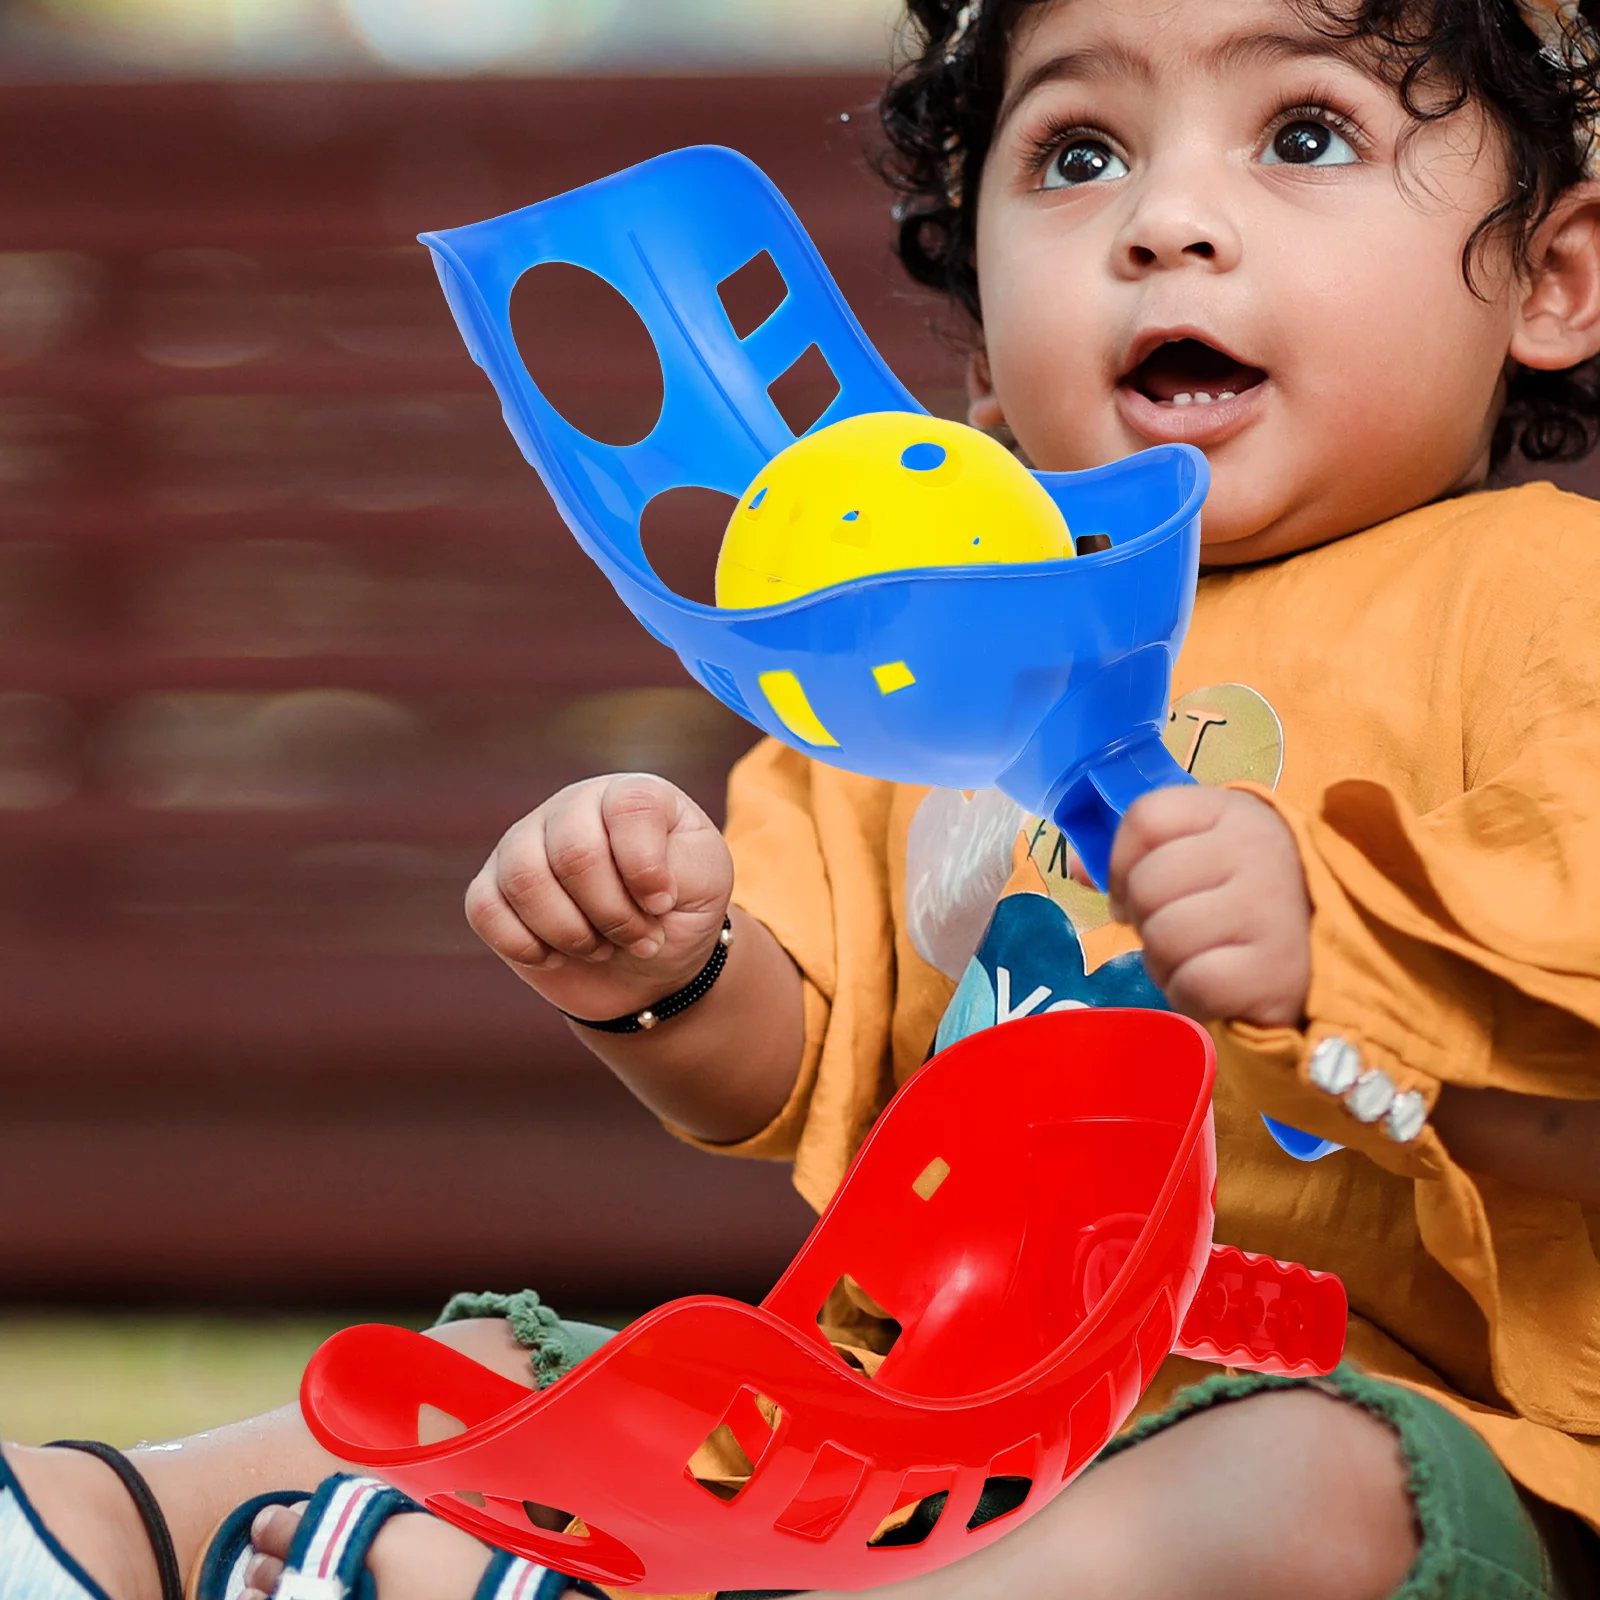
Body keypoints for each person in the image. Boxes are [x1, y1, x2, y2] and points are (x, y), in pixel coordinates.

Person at [10, 0, 1600, 1595]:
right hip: (903, 1447)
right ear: (981, 346)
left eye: (1305, 135)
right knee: (502, 1363)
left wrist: (1347, 963)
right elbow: (785, 1067)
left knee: (1298, 1480)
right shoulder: (927, 653)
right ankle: (97, 1528)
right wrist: (659, 970)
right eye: (1081, 153)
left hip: (1394, 1435)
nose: (1163, 223)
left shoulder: (1544, 611)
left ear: (1553, 278)